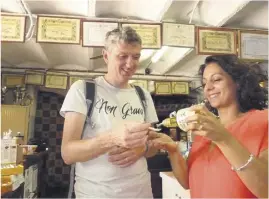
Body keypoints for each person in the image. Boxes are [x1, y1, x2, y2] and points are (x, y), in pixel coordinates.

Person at [149, 55, 268, 198]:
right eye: (205, 83)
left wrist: (223, 138)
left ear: (238, 82)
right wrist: (173, 151)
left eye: (216, 79)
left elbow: (265, 189)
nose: (208, 88)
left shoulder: (262, 121)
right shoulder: (204, 132)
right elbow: (188, 182)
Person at [60, 27, 158, 198]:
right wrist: (112, 138)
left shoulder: (143, 96)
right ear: (106, 56)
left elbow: (153, 147)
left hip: (141, 192)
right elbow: (68, 153)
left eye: (136, 57)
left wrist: (142, 149)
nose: (130, 63)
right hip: (96, 194)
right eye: (123, 56)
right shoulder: (82, 90)